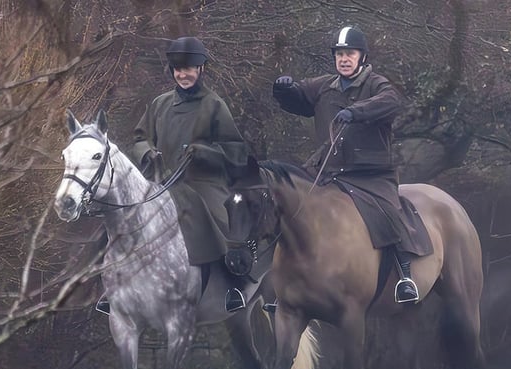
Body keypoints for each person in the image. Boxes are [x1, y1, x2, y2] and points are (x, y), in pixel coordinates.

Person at [272, 26, 430, 303]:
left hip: (371, 174)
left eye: (349, 53)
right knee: (290, 209)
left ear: (361, 56)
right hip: (328, 172)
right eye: (339, 54)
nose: (344, 59)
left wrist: (356, 111)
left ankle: (404, 275)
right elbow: (298, 98)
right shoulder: (323, 86)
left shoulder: (377, 84)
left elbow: (391, 102)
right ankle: (287, 279)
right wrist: (284, 90)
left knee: (388, 212)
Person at [131, 36, 253, 312]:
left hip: (202, 183)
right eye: (178, 69)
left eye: (188, 69)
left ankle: (236, 285)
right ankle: (110, 285)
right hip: (162, 182)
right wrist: (147, 152)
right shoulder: (159, 104)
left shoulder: (214, 104)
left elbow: (235, 151)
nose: (182, 74)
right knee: (123, 215)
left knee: (220, 221)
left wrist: (205, 152)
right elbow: (139, 137)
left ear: (201, 70)